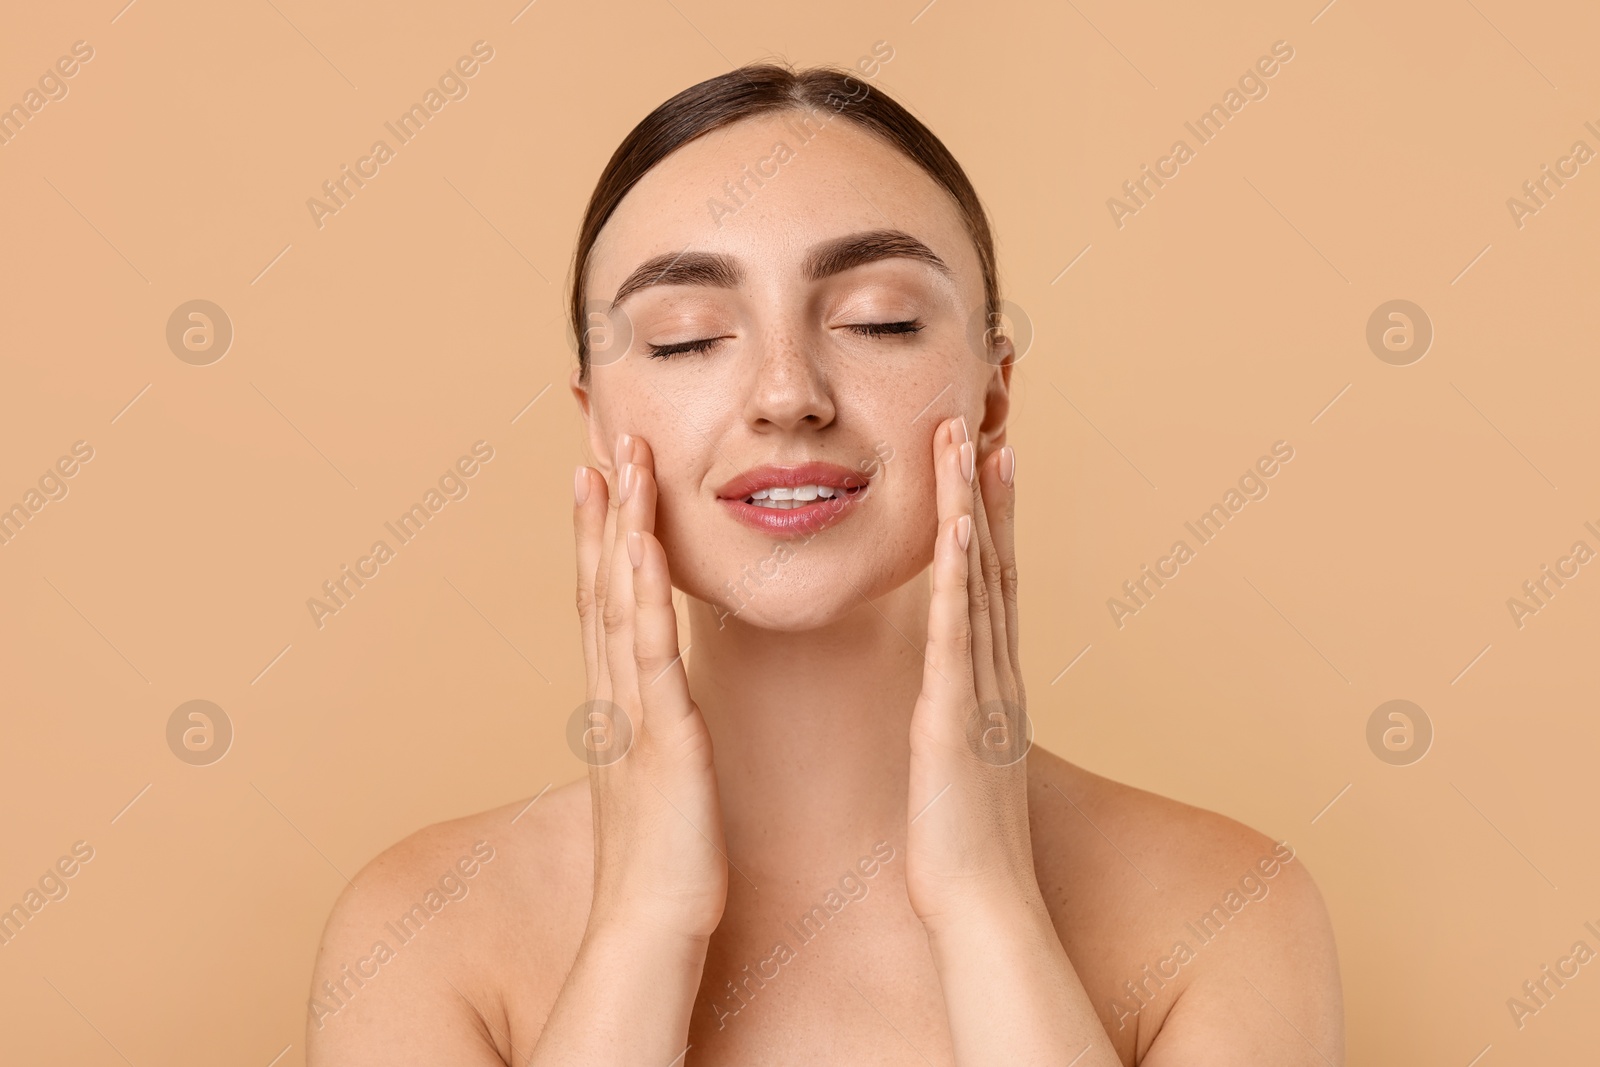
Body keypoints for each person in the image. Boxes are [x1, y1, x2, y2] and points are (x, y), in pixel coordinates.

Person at [306, 63, 1342, 1065]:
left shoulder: (1228, 912)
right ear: (596, 415)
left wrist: (988, 903)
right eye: (684, 336)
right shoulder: (421, 932)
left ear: (991, 391)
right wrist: (643, 925)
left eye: (877, 320)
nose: (786, 392)